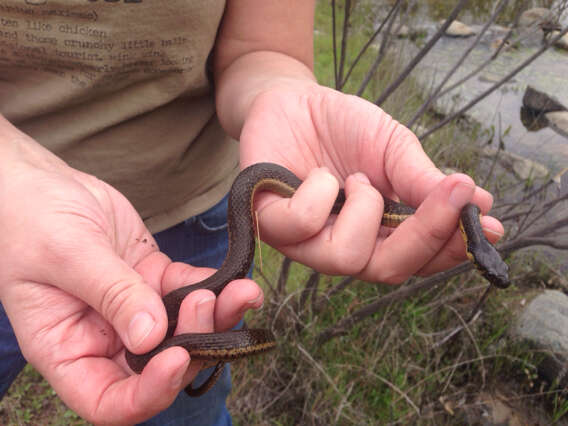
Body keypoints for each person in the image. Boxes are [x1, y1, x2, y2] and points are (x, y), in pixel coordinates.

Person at [0, 1, 504, 424]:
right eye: (486, 264)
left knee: (173, 388)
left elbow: (262, 50)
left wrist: (283, 94)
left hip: (190, 217)